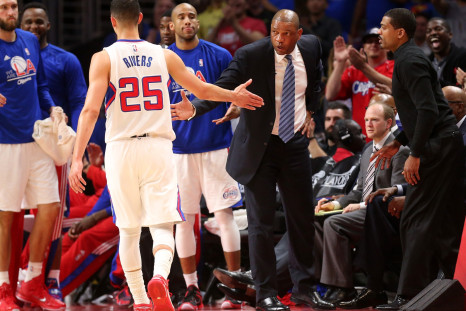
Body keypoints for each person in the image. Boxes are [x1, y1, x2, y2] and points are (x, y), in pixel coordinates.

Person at [68, 1, 263, 310]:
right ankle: (160, 277)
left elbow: (91, 110)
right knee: (163, 225)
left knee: (129, 230)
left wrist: (76, 159)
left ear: (113, 22)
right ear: (141, 19)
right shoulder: (164, 55)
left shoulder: (102, 58)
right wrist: (233, 95)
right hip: (159, 148)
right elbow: (202, 89)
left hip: (121, 149)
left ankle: (141, 300)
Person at [172, 9, 336, 311]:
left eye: (287, 34)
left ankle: (304, 289)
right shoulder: (252, 54)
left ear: (299, 35)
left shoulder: (312, 47)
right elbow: (224, 84)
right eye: (275, 32)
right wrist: (194, 108)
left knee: (301, 219)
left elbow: (315, 83)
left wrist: (311, 111)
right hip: (260, 147)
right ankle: (265, 294)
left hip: (295, 144)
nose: (279, 39)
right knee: (259, 225)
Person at [374, 8, 464, 310]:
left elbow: (428, 111)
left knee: (414, 219)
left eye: (384, 28)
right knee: (445, 222)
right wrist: (396, 143)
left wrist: (413, 153)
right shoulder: (406, 58)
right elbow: (420, 111)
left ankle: (409, 294)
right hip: (443, 143)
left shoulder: (410, 60)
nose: (379, 32)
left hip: (436, 147)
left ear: (400, 32)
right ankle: (449, 287)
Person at [167, 3, 243, 310]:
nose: (187, 21)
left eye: (191, 16)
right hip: (177, 152)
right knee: (183, 222)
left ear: (198, 21)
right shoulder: (162, 60)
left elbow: (236, 93)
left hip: (216, 148)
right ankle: (191, 290)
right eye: (180, 17)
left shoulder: (219, 55)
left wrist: (236, 108)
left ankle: (235, 288)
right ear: (171, 25)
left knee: (224, 217)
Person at [19, 2, 89, 299]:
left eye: (39, 22)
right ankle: (20, 277)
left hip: (53, 149)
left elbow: (79, 103)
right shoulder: (10, 56)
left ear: (48, 25)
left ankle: (52, 281)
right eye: (29, 23)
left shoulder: (66, 60)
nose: (34, 27)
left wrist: (79, 148)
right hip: (18, 144)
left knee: (55, 216)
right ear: (21, 26)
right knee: (17, 214)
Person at [0, 0, 66, 310]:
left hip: (37, 137)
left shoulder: (27, 40)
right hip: (5, 144)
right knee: (6, 216)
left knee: (51, 206)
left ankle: (32, 282)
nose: (10, 13)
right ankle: (3, 290)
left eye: (13, 6)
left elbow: (39, 84)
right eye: (3, 8)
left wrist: (52, 106)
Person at [314, 103, 409, 307]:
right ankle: (329, 284)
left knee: (334, 224)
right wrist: (336, 203)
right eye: (366, 120)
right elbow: (358, 190)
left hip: (383, 214)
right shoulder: (367, 150)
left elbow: (395, 194)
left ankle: (342, 288)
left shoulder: (400, 150)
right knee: (319, 219)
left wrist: (360, 207)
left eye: (374, 120)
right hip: (363, 209)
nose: (369, 124)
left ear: (389, 122)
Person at [325, 30, 394, 139]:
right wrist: (340, 61)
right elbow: (330, 94)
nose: (373, 44)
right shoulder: (354, 71)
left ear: (388, 47)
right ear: (364, 47)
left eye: (378, 41)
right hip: (360, 138)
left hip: (387, 137)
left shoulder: (395, 66)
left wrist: (363, 66)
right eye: (369, 41)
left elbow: (394, 86)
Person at [426, 17, 466, 87]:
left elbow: (461, 90)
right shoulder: (425, 61)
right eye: (428, 31)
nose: (432, 33)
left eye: (438, 29)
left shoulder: (463, 56)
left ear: (450, 35)